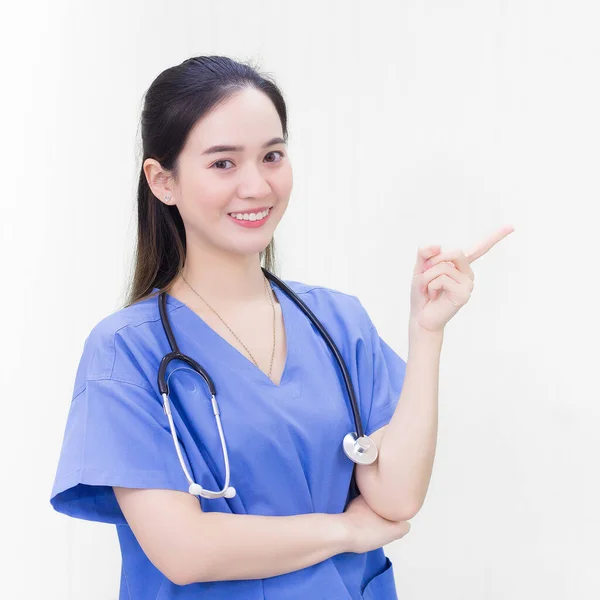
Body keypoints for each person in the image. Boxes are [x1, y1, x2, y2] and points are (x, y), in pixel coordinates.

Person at [49, 55, 410, 599]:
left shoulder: (340, 324)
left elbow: (398, 499)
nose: (257, 185)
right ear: (163, 180)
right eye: (223, 163)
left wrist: (428, 334)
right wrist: (346, 530)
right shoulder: (127, 353)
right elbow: (186, 551)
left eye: (272, 156)